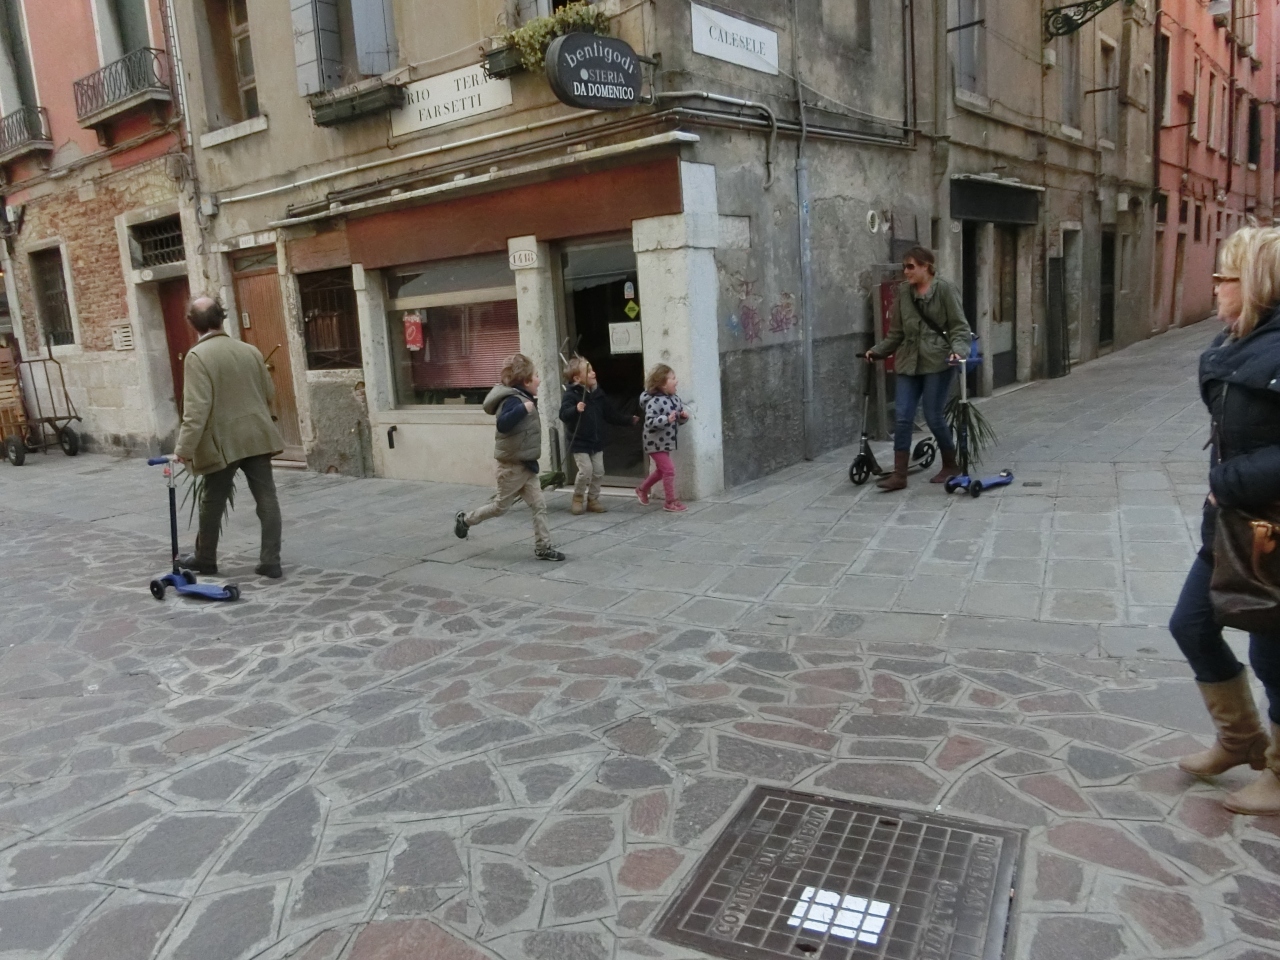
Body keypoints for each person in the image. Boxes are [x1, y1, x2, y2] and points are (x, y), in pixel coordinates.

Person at [1170, 226, 1280, 816]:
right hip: (1233, 527)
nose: (1214, 286)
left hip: (1270, 533)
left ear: (1258, 283)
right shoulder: (1238, 343)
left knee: (1273, 657)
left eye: (1225, 276)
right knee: (1191, 624)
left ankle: (1279, 778)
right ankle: (1241, 740)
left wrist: (1227, 482)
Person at [173, 297, 284, 579]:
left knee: (212, 500)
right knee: (267, 498)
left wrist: (184, 449)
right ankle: (271, 561)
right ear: (221, 317)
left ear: (192, 323)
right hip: (257, 435)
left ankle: (205, 559)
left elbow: (196, 410)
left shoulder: (198, 356)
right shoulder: (250, 350)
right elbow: (269, 392)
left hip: (224, 442)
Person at [864, 246, 972, 491]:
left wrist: (958, 351)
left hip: (938, 360)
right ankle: (899, 475)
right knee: (903, 417)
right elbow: (896, 332)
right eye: (905, 266)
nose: (906, 271)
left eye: (911, 266)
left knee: (933, 415)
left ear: (927, 266)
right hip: (908, 361)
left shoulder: (945, 289)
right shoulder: (904, 292)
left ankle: (950, 464)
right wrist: (878, 350)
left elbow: (959, 327)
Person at [454, 353, 566, 561]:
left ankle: (543, 547)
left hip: (527, 466)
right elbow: (503, 424)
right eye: (536, 376)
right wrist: (522, 409)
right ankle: (466, 520)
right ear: (526, 382)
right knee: (500, 507)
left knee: (539, 505)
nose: (539, 380)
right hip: (511, 468)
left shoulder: (523, 397)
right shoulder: (514, 400)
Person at [559, 356, 638, 515]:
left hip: (596, 441)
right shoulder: (571, 395)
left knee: (599, 471)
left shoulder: (597, 394)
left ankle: (593, 499)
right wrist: (575, 409)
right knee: (585, 471)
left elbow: (610, 414)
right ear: (577, 378)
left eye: (593, 370)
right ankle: (578, 498)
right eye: (589, 372)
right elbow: (563, 415)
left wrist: (628, 420)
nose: (593, 373)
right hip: (580, 442)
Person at [635, 363, 690, 512]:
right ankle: (670, 501)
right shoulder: (654, 402)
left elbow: (678, 418)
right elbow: (650, 422)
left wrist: (682, 417)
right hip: (654, 442)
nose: (677, 381)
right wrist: (667, 419)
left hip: (666, 442)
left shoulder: (675, 399)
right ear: (663, 384)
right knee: (669, 470)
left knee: (662, 470)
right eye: (673, 378)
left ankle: (642, 489)